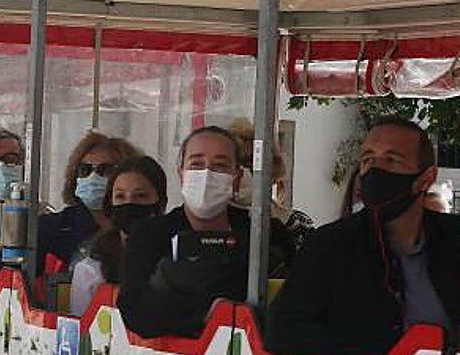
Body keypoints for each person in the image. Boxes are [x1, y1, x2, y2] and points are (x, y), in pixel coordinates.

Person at [265, 116, 460, 355]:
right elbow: (283, 332)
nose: (375, 170)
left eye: (392, 160)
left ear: (426, 179)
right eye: (368, 159)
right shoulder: (329, 246)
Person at [119, 126, 292, 338]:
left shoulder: (266, 234)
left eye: (220, 166)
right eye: (197, 164)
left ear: (236, 178)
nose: (207, 174)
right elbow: (134, 306)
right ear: (181, 173)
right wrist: (208, 311)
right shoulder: (150, 235)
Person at [0, 132, 139, 306]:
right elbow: (12, 259)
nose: (93, 177)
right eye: (85, 170)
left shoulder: (143, 228)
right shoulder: (55, 226)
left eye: (105, 170)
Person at [69, 156, 168, 317]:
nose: (129, 204)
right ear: (111, 204)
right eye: (120, 196)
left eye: (141, 196)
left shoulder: (176, 256)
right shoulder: (91, 269)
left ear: (161, 204)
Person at [228, 117, 315, 250]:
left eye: (250, 162)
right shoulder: (214, 224)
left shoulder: (299, 224)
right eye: (234, 163)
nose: (242, 171)